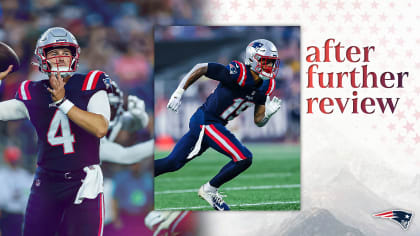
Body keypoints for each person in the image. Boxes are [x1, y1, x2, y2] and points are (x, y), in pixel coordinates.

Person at [0, 27, 111, 235]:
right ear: (42, 58)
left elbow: (100, 128)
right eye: (53, 53)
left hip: (83, 182)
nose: (60, 58)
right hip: (46, 183)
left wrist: (62, 102)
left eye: (64, 52)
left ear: (74, 56)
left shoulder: (91, 83)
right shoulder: (32, 92)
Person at [155, 39, 283, 211]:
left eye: (272, 62)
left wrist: (267, 114)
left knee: (172, 163)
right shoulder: (239, 73)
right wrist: (179, 92)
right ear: (253, 60)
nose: (270, 66)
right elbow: (201, 67)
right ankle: (209, 190)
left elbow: (258, 121)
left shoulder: (267, 84)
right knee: (244, 157)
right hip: (206, 120)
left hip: (215, 124)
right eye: (266, 61)